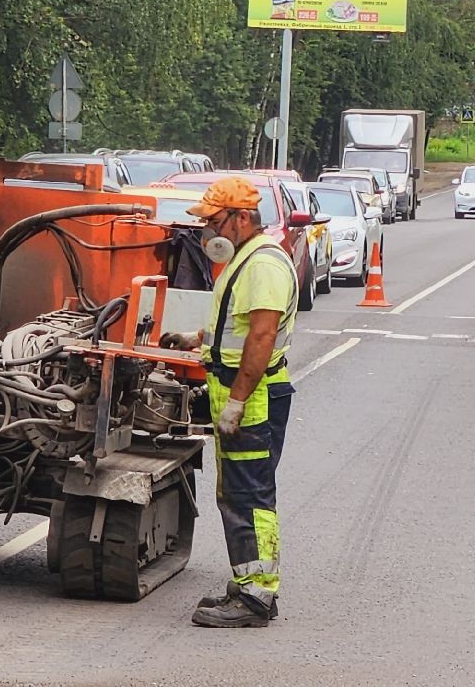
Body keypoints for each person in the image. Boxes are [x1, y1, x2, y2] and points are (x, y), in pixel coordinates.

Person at [168, 176, 298, 628]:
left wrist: (237, 401)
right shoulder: (245, 259)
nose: (208, 233)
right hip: (244, 394)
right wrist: (197, 339)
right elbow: (236, 327)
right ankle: (248, 586)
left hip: (254, 398)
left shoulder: (263, 265)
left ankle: (256, 598)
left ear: (242, 219)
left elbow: (261, 336)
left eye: (214, 221)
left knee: (250, 497)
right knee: (236, 494)